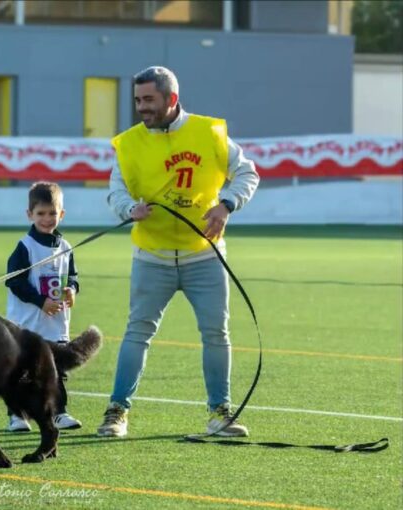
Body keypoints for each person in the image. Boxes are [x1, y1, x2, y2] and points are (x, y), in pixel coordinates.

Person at [96, 66, 260, 438]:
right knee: (137, 333)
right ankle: (116, 411)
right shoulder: (129, 143)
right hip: (150, 258)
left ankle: (220, 413)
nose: (141, 107)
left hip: (205, 257)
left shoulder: (209, 133)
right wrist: (128, 209)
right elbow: (116, 190)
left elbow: (248, 173)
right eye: (137, 100)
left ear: (171, 99)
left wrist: (226, 205)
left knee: (216, 333)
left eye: (149, 99)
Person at [5, 181, 83, 432]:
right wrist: (41, 301)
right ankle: (17, 415)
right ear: (30, 214)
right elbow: (15, 282)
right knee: (21, 370)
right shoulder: (25, 247)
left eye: (52, 213)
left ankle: (58, 412)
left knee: (56, 370)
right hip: (27, 324)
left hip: (56, 324)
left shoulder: (66, 247)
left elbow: (72, 276)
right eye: (41, 213)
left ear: (62, 214)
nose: (47, 219)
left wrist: (72, 290)